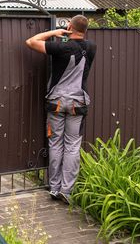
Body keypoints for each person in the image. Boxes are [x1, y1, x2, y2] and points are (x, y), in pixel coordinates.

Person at [24, 15, 96, 204]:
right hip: (78, 104)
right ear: (86, 30)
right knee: (72, 146)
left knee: (56, 143)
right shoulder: (91, 48)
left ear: (69, 26)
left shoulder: (61, 47)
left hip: (56, 102)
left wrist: (56, 32)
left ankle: (54, 188)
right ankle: (67, 190)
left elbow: (31, 41)